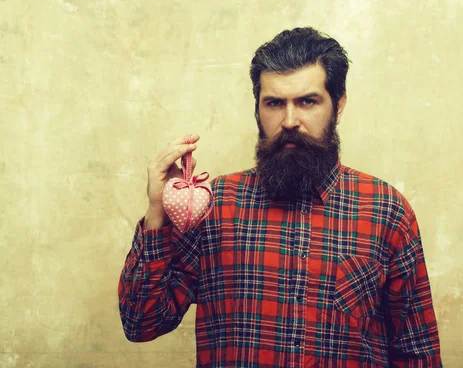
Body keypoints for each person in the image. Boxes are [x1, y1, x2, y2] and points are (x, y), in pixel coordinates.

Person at [118, 27, 443, 367]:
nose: (290, 121)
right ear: (258, 109)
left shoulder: (386, 211)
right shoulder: (214, 206)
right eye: (274, 103)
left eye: (308, 101)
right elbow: (142, 323)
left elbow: (417, 353)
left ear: (338, 105)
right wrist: (157, 213)